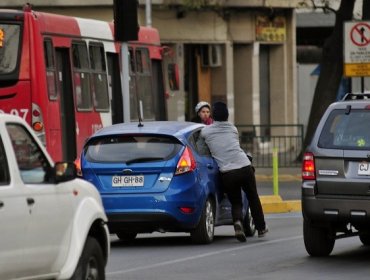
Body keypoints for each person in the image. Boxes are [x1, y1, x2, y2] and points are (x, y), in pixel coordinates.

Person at [200, 101, 268, 242]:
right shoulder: (233, 129)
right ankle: (261, 228)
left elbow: (202, 146)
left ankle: (237, 222)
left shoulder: (206, 132)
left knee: (236, 201)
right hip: (244, 167)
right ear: (227, 115)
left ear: (213, 115)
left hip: (228, 173)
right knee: (253, 197)